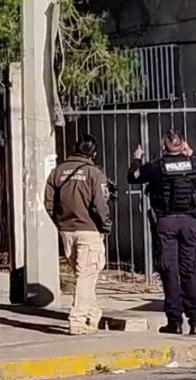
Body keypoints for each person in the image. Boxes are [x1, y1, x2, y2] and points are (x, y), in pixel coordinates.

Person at [127, 130, 196, 336]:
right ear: (182, 145)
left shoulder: (156, 167)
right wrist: (191, 154)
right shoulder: (192, 163)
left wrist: (137, 159)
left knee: (169, 272)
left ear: (164, 147)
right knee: (190, 271)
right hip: (189, 222)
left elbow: (133, 177)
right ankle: (195, 323)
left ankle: (174, 322)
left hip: (165, 223)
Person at [44, 133, 113, 335]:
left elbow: (48, 202)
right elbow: (101, 205)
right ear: (94, 153)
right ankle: (77, 320)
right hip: (89, 231)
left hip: (66, 231)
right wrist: (105, 226)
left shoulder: (57, 172)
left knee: (83, 275)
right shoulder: (94, 173)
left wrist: (58, 221)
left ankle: (93, 313)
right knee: (86, 276)